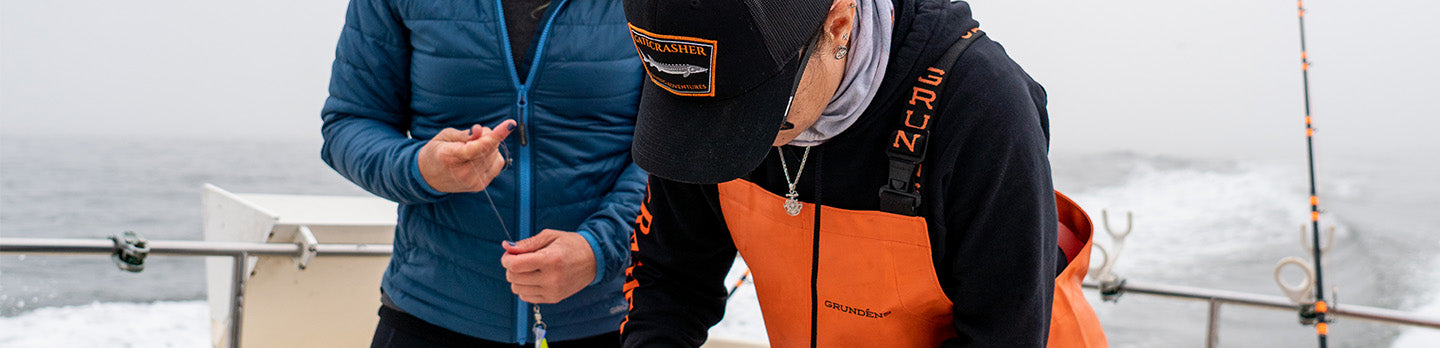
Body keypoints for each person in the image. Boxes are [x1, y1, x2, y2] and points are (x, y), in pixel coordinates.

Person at [619, 0, 1105, 347]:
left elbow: (1004, 333)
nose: (722, 133)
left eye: (753, 110)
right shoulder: (699, 90)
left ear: (839, 23)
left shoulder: (984, 110)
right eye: (695, 115)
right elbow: (668, 282)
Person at [319, 0, 645, 347]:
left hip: (610, 317)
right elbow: (351, 123)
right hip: (430, 311)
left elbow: (673, 146)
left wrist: (600, 249)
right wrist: (421, 168)